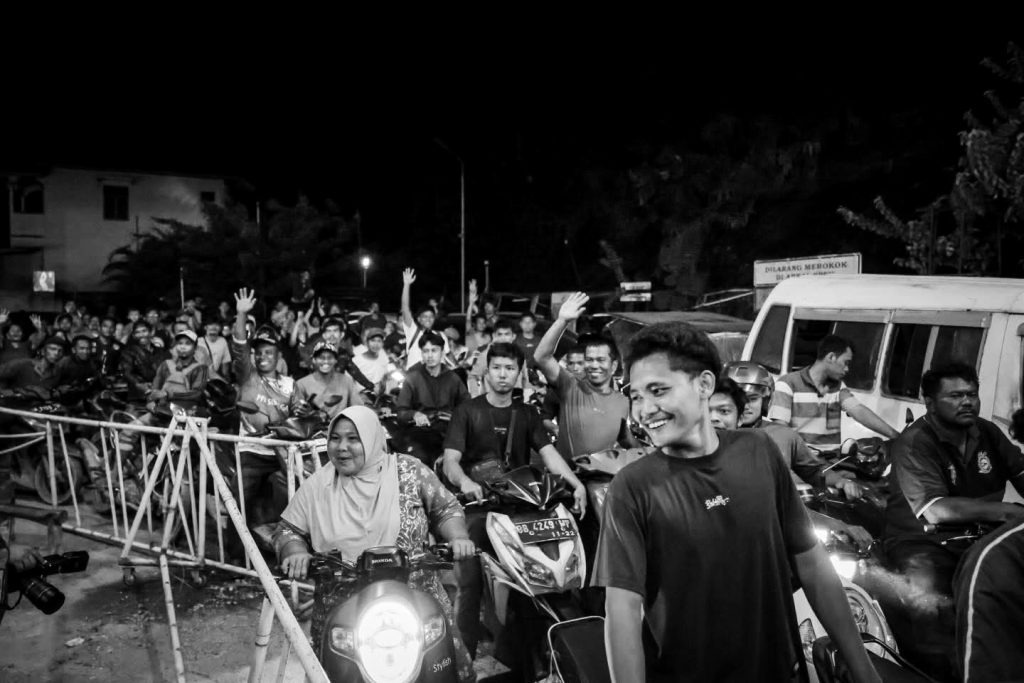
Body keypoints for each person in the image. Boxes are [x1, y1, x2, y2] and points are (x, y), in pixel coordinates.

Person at [594, 321, 880, 683]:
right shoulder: (632, 487)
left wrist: (865, 671)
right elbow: (622, 611)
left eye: (658, 390)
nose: (644, 409)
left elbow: (813, 565)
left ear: (704, 385)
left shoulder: (759, 451)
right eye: (635, 396)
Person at [272, 406, 476, 682]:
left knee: (443, 670)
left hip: (415, 599)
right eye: (335, 438)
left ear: (371, 438)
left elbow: (446, 509)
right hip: (343, 608)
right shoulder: (317, 485)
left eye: (353, 439)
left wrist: (458, 537)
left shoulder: (408, 470)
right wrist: (295, 552)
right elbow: (287, 530)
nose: (342, 447)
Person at [442, 342, 586, 658]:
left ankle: (538, 647)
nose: (503, 374)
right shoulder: (467, 411)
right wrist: (465, 482)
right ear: (487, 372)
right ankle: (463, 659)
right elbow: (451, 460)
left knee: (546, 570)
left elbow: (549, 454)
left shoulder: (527, 413)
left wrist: (576, 484)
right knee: (470, 583)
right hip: (480, 508)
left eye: (510, 368)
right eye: (497, 367)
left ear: (519, 373)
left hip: (521, 508)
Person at [881, 363, 1024, 679]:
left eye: (972, 394)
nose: (967, 402)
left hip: (980, 538)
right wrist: (1008, 512)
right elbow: (936, 510)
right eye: (956, 396)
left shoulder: (987, 432)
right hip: (924, 543)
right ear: (930, 403)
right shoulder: (914, 442)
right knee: (932, 610)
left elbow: (1020, 471)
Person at [710, 376, 873, 549]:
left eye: (752, 399)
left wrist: (841, 482)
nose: (715, 418)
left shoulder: (776, 439)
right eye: (711, 411)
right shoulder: (699, 455)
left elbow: (811, 475)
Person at [724, 361, 868, 500]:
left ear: (765, 400)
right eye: (737, 399)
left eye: (753, 399)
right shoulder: (714, 436)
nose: (745, 406)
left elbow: (814, 471)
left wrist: (840, 481)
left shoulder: (783, 436)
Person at [533, 292, 632, 462]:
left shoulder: (622, 401)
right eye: (590, 360)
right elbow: (541, 357)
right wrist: (562, 321)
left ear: (614, 366)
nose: (594, 365)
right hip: (570, 475)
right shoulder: (571, 387)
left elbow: (625, 439)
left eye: (601, 360)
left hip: (606, 476)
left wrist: (652, 452)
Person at [229, 288, 295, 533]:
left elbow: (299, 415)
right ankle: (236, 552)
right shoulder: (248, 375)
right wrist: (241, 314)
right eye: (258, 352)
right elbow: (239, 346)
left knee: (299, 496)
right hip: (252, 452)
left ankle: (288, 545)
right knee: (237, 502)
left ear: (278, 356)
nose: (263, 356)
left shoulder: (290, 384)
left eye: (269, 352)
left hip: (282, 453)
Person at [769, 335, 899, 452]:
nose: (847, 369)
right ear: (831, 357)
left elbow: (858, 411)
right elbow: (781, 431)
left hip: (831, 462)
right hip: (802, 464)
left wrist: (895, 435)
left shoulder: (838, 387)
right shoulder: (787, 384)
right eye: (845, 363)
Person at [396, 331, 469, 466]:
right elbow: (401, 412)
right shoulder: (413, 378)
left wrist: (457, 418)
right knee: (418, 460)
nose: (430, 355)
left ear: (442, 353)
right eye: (426, 351)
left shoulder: (453, 378)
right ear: (421, 354)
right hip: (420, 433)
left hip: (448, 432)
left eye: (434, 350)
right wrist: (415, 414)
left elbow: (467, 406)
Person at [289, 340, 363, 420]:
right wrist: (306, 412)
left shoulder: (346, 381)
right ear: (314, 360)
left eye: (330, 358)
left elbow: (358, 409)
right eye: (321, 358)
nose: (326, 361)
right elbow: (296, 413)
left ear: (335, 360)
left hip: (341, 426)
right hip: (313, 426)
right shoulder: (301, 384)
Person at [148, 329, 209, 412]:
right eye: (180, 343)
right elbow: (155, 387)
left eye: (188, 344)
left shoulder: (201, 368)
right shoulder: (166, 364)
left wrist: (168, 394)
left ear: (195, 348)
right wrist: (151, 401)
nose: (183, 347)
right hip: (163, 408)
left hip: (188, 411)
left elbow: (196, 393)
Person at [399, 268, 449, 370]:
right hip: (414, 376)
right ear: (419, 319)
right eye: (425, 316)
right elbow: (405, 308)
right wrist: (406, 285)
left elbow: (447, 358)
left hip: (435, 377)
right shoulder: (412, 331)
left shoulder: (441, 336)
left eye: (431, 316)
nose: (428, 319)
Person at [539, 346, 586, 439]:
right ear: (567, 366)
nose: (575, 368)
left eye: (580, 363)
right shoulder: (555, 390)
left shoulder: (600, 388)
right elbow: (545, 418)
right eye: (571, 363)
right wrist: (555, 428)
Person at [119, 319, 170, 399]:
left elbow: (167, 371)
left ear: (151, 332)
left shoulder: (161, 352)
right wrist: (139, 384)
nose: (141, 335)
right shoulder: (128, 352)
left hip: (160, 394)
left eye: (144, 331)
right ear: (133, 335)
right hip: (138, 396)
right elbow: (127, 373)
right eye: (137, 332)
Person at [0, 337, 67, 393]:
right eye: (53, 349)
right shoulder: (22, 364)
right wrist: (6, 392)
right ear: (43, 351)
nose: (56, 353)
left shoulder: (57, 373)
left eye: (60, 351)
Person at [352, 328, 389, 392]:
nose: (376, 344)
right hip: (362, 394)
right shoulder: (356, 359)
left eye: (379, 341)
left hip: (380, 393)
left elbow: (385, 373)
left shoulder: (383, 354)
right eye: (373, 340)